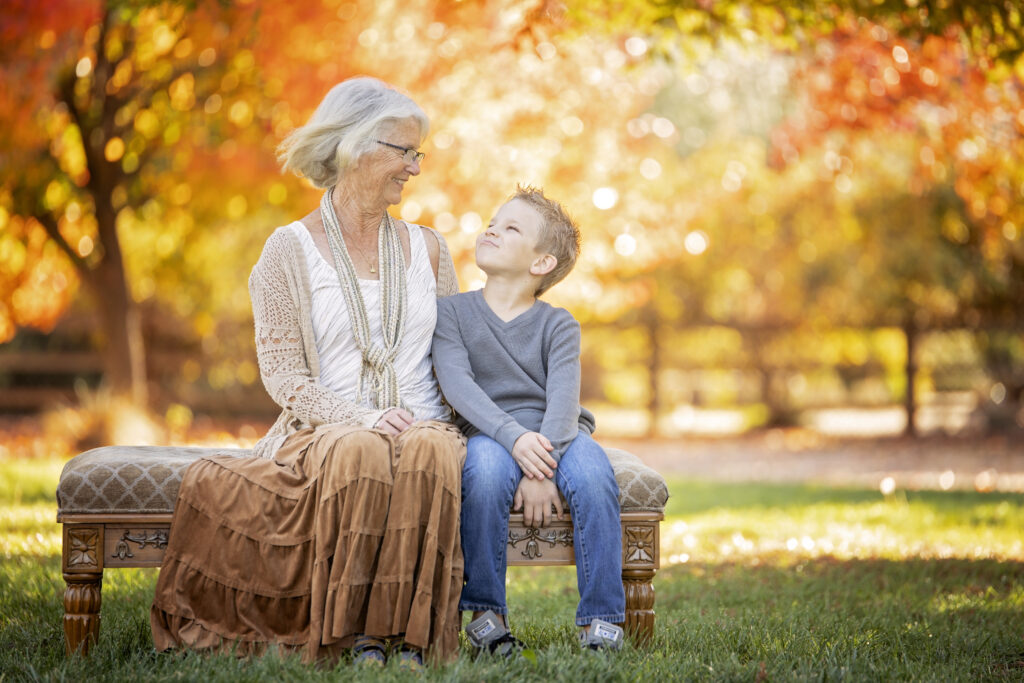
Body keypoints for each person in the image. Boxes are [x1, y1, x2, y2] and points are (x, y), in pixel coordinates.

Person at [150, 77, 466, 669]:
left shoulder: (429, 249)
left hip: (426, 424)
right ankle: (350, 639)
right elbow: (284, 376)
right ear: (353, 145)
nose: (414, 169)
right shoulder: (287, 250)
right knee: (362, 451)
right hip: (328, 429)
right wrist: (366, 418)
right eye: (404, 151)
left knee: (429, 448)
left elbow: (457, 362)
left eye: (417, 154)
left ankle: (413, 642)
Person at [431, 187, 626, 655]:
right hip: (487, 433)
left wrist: (543, 465)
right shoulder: (451, 313)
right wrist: (513, 439)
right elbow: (458, 387)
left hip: (558, 436)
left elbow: (563, 400)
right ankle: (486, 619)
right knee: (484, 473)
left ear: (541, 263)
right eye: (494, 220)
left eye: (511, 227)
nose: (492, 228)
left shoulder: (559, 324)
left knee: (596, 475)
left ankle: (601, 620)